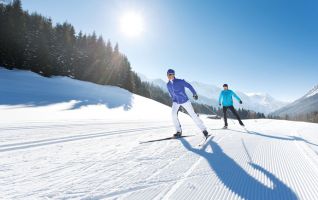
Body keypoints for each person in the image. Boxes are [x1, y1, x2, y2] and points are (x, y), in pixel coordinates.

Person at [166, 69, 209, 138]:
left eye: (171, 74)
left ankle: (203, 129)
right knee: (173, 114)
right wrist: (173, 99)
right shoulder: (168, 84)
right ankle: (178, 131)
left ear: (174, 75)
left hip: (184, 100)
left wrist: (194, 93)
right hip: (176, 101)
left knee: (193, 114)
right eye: (168, 74)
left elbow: (189, 86)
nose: (170, 76)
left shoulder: (180, 81)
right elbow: (171, 93)